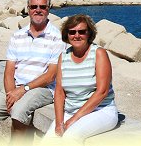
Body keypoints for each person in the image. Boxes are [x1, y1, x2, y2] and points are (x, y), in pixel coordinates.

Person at [0, 0, 66, 145]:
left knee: (18, 113)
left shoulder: (57, 37)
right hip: (17, 86)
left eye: (42, 7)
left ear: (49, 8)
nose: (38, 10)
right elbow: (9, 71)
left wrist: (23, 90)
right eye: (34, 6)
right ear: (28, 8)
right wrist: (11, 93)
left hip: (43, 88)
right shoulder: (18, 36)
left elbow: (51, 75)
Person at [42, 14, 118, 145]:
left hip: (101, 110)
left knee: (71, 137)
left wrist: (74, 119)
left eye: (81, 32)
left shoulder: (99, 53)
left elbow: (102, 92)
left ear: (89, 34)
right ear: (67, 35)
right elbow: (59, 91)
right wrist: (59, 122)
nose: (76, 35)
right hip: (70, 111)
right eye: (72, 32)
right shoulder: (64, 56)